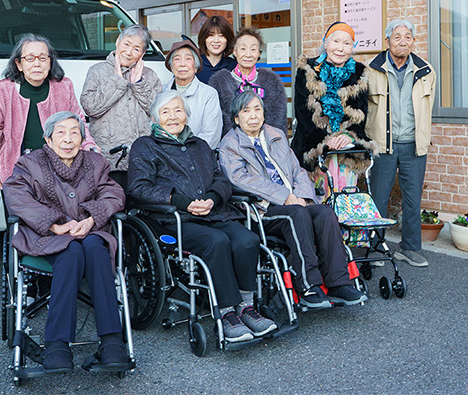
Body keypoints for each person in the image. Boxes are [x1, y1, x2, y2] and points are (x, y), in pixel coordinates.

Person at [127, 90, 277, 343]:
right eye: (165, 112)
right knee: (216, 241)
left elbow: (221, 179)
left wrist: (213, 198)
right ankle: (226, 312)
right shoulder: (145, 146)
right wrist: (181, 201)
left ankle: (246, 307)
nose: (173, 116)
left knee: (247, 239)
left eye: (178, 110)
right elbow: (138, 188)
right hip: (173, 220)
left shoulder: (200, 145)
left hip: (214, 212)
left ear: (186, 115)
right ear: (154, 118)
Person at [3, 112, 130, 373]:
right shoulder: (29, 163)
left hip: (89, 232)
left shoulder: (95, 162)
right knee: (71, 251)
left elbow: (113, 193)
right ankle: (57, 346)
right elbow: (16, 196)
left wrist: (92, 219)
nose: (68, 139)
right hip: (46, 236)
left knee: (96, 249)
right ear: (48, 139)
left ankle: (112, 343)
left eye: (74, 132)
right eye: (60, 132)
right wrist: (54, 224)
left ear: (82, 139)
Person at [218, 91, 368, 309]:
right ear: (236, 118)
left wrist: (304, 198)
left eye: (257, 109)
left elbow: (297, 171)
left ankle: (339, 283)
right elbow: (239, 179)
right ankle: (308, 286)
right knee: (296, 214)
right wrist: (284, 197)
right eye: (246, 111)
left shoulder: (275, 134)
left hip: (294, 202)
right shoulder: (230, 144)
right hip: (261, 210)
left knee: (325, 213)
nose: (253, 115)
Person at [0, 34, 97, 200]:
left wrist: (89, 146)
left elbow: (79, 124)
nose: (37, 63)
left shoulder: (64, 86)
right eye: (29, 58)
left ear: (50, 62)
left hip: (59, 174)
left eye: (43, 58)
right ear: (18, 64)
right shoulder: (4, 90)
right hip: (17, 175)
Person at [366, 19, 436, 267]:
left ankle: (409, 248)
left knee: (412, 200)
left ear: (413, 41)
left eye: (408, 37)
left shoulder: (426, 71)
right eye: (397, 37)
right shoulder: (371, 70)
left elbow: (427, 107)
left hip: (413, 145)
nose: (402, 41)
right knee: (378, 199)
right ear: (387, 41)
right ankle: (376, 248)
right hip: (382, 144)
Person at [290, 21, 376, 199]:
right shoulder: (308, 70)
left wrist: (349, 136)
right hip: (313, 149)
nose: (340, 48)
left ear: (353, 47)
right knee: (316, 203)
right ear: (326, 42)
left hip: (345, 152)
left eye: (347, 43)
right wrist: (326, 139)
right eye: (336, 41)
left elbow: (361, 114)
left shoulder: (359, 73)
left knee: (345, 201)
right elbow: (303, 113)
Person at [81, 24, 162, 170]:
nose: (129, 52)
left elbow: (159, 113)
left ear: (143, 53)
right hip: (107, 157)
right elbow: (90, 108)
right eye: (126, 44)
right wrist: (117, 81)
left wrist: (139, 84)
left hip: (144, 158)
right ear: (118, 40)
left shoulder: (149, 75)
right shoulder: (97, 71)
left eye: (136, 49)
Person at [209, 27, 287, 137]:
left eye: (253, 49)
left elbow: (279, 122)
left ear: (259, 53)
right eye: (243, 49)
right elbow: (216, 123)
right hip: (231, 144)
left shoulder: (272, 81)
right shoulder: (220, 82)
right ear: (235, 52)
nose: (248, 54)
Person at [162, 39, 223, 149]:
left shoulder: (209, 94)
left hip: (198, 155)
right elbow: (154, 127)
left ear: (196, 67)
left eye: (188, 59)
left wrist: (189, 154)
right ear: (171, 67)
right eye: (177, 59)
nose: (182, 64)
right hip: (165, 154)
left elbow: (211, 134)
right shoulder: (161, 92)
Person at [196, 15, 237, 84]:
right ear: (204, 38)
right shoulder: (195, 64)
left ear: (228, 39)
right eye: (211, 35)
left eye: (221, 35)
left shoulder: (234, 66)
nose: (216, 40)